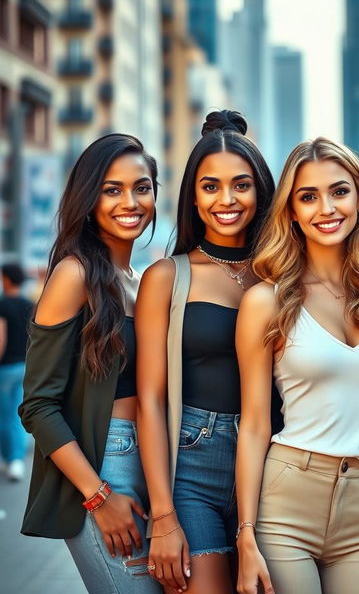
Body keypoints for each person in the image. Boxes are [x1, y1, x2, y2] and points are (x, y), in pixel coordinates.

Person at [235, 137, 359, 594]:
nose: (326, 208)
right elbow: (253, 424)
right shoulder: (265, 301)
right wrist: (246, 533)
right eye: (308, 197)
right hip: (289, 500)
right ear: (290, 211)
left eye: (339, 191)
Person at [136, 110, 275, 594]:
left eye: (241, 184)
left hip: (275, 462)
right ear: (193, 197)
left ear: (261, 190)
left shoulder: (285, 274)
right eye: (210, 186)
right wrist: (163, 516)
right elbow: (150, 401)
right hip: (193, 464)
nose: (227, 199)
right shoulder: (167, 278)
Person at [19, 134, 161, 594]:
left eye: (142, 187)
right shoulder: (74, 274)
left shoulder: (141, 282)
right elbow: (38, 405)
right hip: (104, 465)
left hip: (156, 459)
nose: (130, 201)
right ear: (88, 197)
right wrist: (98, 496)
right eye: (111, 189)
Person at [0, 263, 33, 481]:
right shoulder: (31, 305)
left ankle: (12, 460)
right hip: (26, 366)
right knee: (19, 414)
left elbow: (0, 338)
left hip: (6, 367)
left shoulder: (2, 304)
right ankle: (17, 458)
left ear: (7, 279)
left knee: (5, 416)